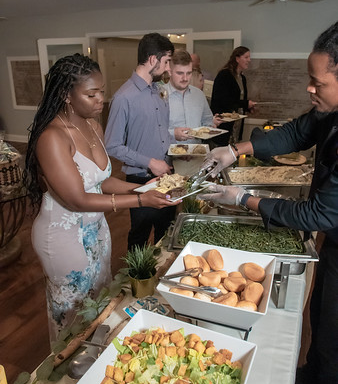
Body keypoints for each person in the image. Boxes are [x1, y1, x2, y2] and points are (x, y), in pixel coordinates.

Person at [199, 21, 338, 384]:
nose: (310, 88)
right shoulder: (329, 109)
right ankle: (314, 374)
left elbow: (318, 214)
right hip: (334, 243)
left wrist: (243, 198)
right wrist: (236, 149)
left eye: (318, 82)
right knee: (321, 318)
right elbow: (293, 133)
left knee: (334, 333)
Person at [24, 54, 176, 344]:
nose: (100, 100)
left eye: (102, 92)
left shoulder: (92, 124)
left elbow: (101, 181)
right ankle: (66, 371)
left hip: (97, 230)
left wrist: (144, 188)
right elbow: (77, 199)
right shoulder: (52, 137)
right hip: (63, 235)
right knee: (72, 315)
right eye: (91, 94)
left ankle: (93, 359)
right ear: (65, 95)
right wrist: (141, 202)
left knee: (98, 303)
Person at [105, 33, 177, 250]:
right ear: (153, 60)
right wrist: (150, 162)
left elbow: (161, 132)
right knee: (140, 235)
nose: (167, 69)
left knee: (167, 231)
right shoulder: (123, 97)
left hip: (168, 175)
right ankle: (135, 281)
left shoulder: (159, 92)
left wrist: (179, 144)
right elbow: (111, 144)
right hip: (139, 178)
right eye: (166, 62)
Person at [163, 50, 222, 145]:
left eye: (189, 73)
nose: (185, 78)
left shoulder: (199, 95)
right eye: (180, 73)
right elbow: (151, 131)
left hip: (196, 154)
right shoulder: (159, 96)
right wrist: (173, 133)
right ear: (170, 72)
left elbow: (207, 121)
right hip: (167, 156)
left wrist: (210, 127)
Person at [210, 46, 257, 146]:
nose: (249, 60)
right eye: (246, 57)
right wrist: (245, 103)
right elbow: (223, 100)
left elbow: (238, 100)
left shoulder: (242, 78)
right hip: (223, 124)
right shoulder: (224, 75)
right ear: (237, 59)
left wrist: (248, 107)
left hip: (237, 124)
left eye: (249, 57)